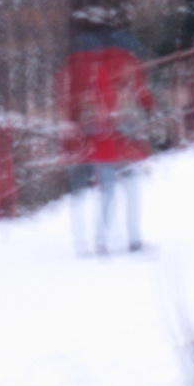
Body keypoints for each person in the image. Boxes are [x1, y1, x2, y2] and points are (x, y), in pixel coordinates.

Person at [58, 19, 155, 255]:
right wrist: (150, 111)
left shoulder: (74, 67)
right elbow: (142, 95)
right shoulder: (129, 63)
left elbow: (69, 105)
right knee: (130, 188)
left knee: (100, 191)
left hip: (91, 139)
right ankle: (132, 240)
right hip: (122, 137)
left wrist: (72, 135)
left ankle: (94, 241)